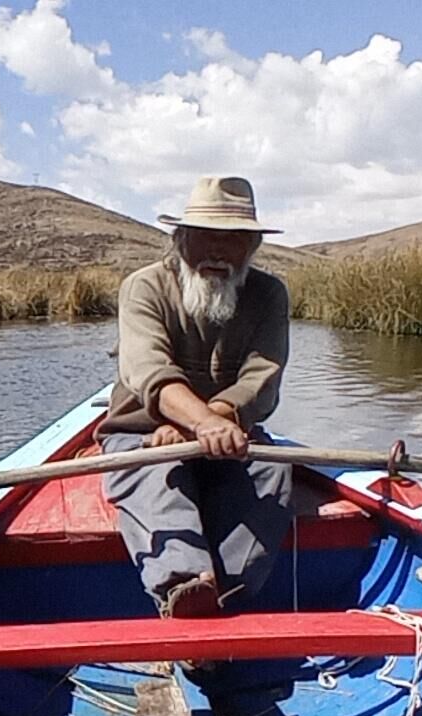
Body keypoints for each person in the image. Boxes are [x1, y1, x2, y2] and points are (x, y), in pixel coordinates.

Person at [96, 175, 293, 619]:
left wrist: (218, 421)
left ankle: (229, 595)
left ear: (253, 247)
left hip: (229, 434)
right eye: (206, 237)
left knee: (270, 472)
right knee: (152, 473)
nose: (218, 252)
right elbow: (149, 369)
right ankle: (183, 587)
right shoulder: (144, 287)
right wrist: (194, 424)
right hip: (145, 434)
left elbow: (261, 377)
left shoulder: (268, 294)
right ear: (180, 238)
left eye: (234, 240)